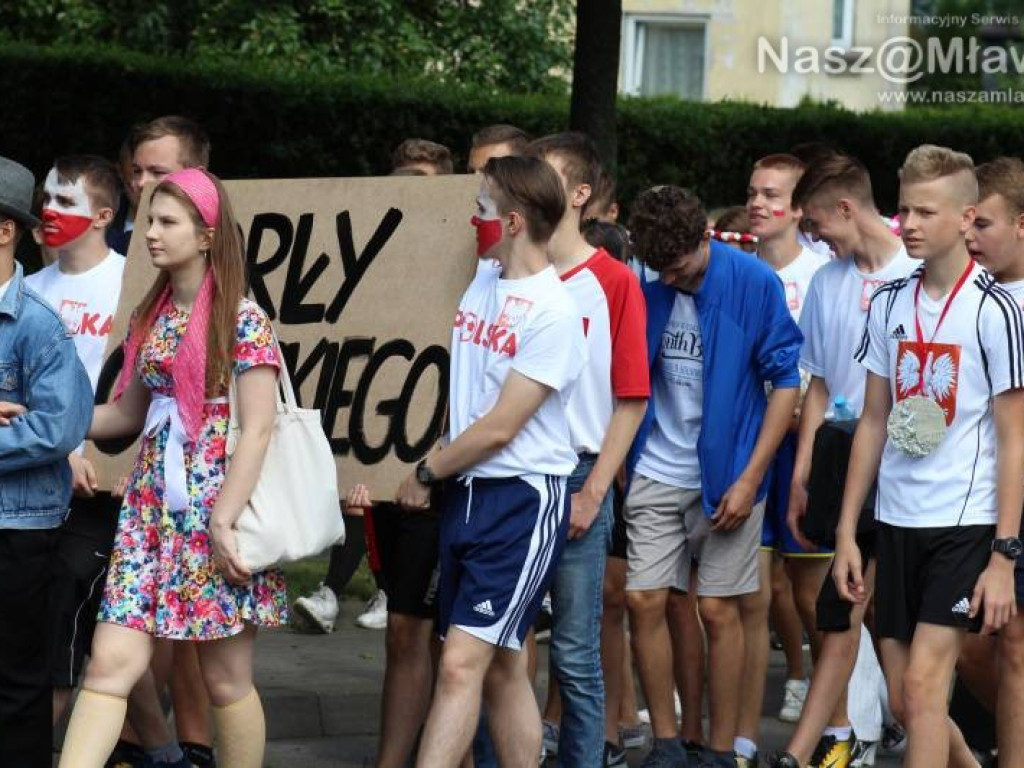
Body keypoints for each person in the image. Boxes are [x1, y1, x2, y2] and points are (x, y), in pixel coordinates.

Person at [57, 168, 287, 768]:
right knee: (109, 663)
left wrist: (223, 523)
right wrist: (51, 418)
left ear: (206, 234)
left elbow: (258, 429)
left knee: (225, 682)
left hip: (217, 509)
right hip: (150, 511)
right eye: (150, 220)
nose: (151, 233)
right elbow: (126, 415)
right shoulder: (150, 315)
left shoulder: (243, 317)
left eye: (167, 222)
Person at [834, 144, 1024, 768]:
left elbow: (1013, 436)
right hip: (895, 522)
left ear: (967, 218)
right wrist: (845, 533)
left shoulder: (995, 309)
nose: (908, 224)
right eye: (903, 209)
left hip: (963, 525)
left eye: (926, 212)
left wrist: (1003, 553)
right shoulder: (888, 302)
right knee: (904, 698)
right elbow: (872, 421)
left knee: (921, 689)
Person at [396, 154, 585, 768]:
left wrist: (429, 471)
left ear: (511, 222)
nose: (470, 219)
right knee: (503, 665)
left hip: (521, 501)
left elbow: (503, 425)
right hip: (470, 495)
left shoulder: (554, 313)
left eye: (480, 210)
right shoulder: (484, 278)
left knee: (457, 663)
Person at [625, 185, 802, 768]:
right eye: (660, 270)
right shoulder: (647, 285)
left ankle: (722, 750)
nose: (670, 279)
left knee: (719, 611)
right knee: (644, 599)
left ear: (706, 236)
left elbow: (786, 385)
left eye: (679, 267)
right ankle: (670, 741)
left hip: (730, 474)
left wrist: (752, 479)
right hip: (656, 465)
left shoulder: (753, 282)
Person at [766, 152, 915, 768]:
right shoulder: (828, 281)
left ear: (848, 209)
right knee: (843, 605)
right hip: (841, 460)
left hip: (908, 466)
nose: (814, 236)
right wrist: (802, 474)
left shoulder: (919, 273)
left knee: (870, 615)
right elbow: (820, 383)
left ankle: (856, 735)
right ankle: (830, 741)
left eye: (819, 223)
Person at [529, 132, 650, 767]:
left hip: (577, 473)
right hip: (513, 473)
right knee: (499, 643)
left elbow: (632, 397)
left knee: (575, 652)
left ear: (580, 195)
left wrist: (596, 489)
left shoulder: (612, 283)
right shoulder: (507, 272)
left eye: (544, 177)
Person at [0, 154, 94, 768]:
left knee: (14, 682)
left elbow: (57, 427)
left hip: (17, 531)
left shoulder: (36, 325)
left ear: (4, 229)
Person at [958, 156, 1024, 768]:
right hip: (978, 496)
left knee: (1015, 646)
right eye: (967, 224)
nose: (969, 237)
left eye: (985, 224)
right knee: (973, 642)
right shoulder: (969, 297)